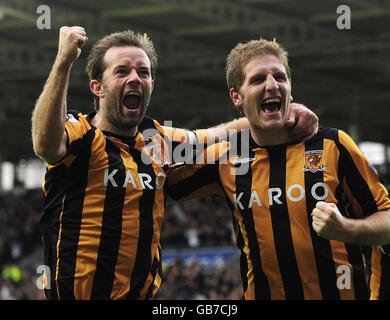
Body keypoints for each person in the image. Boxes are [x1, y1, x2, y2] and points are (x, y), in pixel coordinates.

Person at [31, 26, 318, 300]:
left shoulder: (156, 140)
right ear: (98, 87)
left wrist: (286, 112)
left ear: (151, 85)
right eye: (122, 72)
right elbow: (45, 144)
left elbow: (216, 135)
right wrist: (63, 62)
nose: (135, 78)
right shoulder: (81, 135)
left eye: (143, 73)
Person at [166, 38, 390, 300]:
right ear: (236, 97)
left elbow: (386, 218)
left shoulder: (333, 145)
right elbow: (155, 182)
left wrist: (346, 230)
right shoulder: (226, 156)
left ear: (290, 90)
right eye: (258, 79)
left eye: (280, 77)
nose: (272, 85)